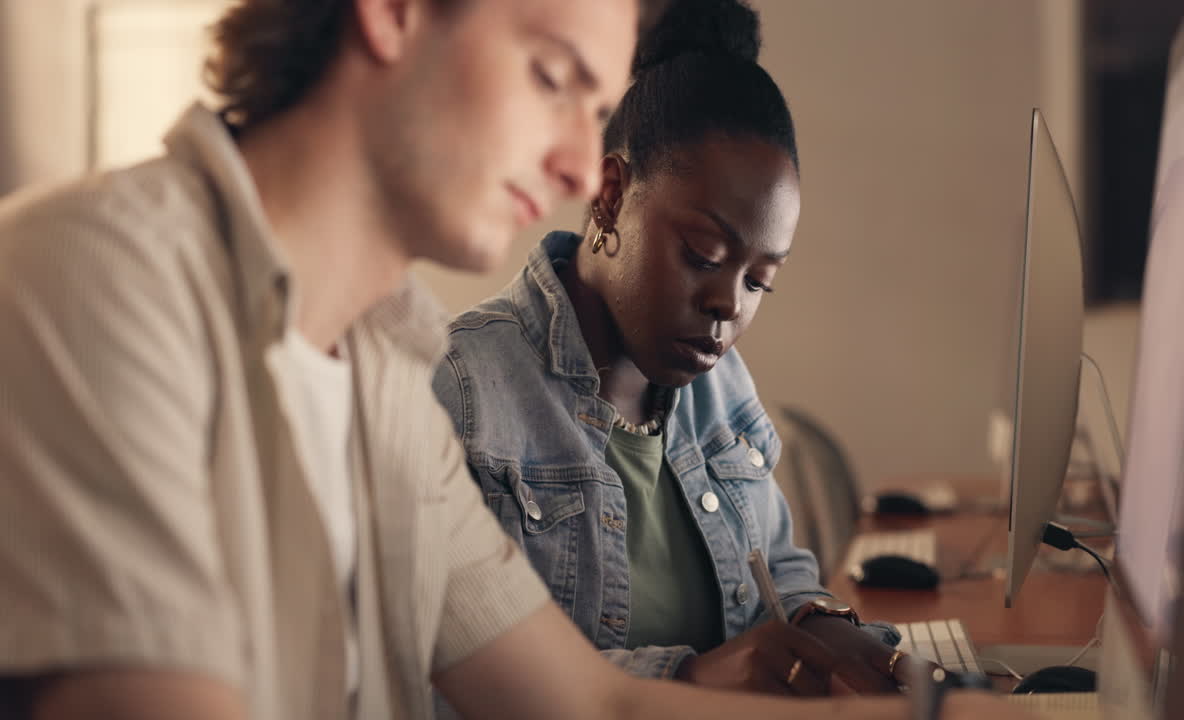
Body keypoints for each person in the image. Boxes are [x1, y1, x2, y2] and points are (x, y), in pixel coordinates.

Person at [0, 0, 1035, 718]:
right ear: (395, 13)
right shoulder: (99, 279)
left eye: (595, 110)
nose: (578, 168)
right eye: (553, 77)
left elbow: (597, 704)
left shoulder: (376, 367)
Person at [431, 0, 917, 698]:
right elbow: (440, 685)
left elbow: (776, 567)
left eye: (760, 281)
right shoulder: (461, 392)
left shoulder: (719, 387)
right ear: (609, 195)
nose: (729, 305)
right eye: (702, 254)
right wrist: (690, 680)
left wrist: (826, 630)